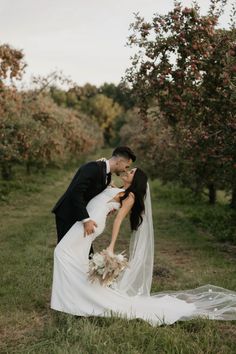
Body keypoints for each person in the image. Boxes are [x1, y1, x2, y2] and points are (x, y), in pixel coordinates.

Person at [50, 168, 236, 326]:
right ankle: (73, 300)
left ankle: (74, 301)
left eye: (131, 172)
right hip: (87, 223)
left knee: (62, 253)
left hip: (92, 226)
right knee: (71, 258)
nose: (127, 172)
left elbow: (119, 220)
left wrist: (111, 246)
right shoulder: (118, 188)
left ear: (136, 179)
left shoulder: (129, 196)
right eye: (129, 169)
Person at [51, 146, 136, 258]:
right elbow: (75, 193)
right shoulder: (92, 168)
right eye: (126, 166)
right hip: (68, 213)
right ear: (119, 161)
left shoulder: (107, 175)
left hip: (80, 215)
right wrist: (86, 220)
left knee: (85, 254)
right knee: (66, 252)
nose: (125, 170)